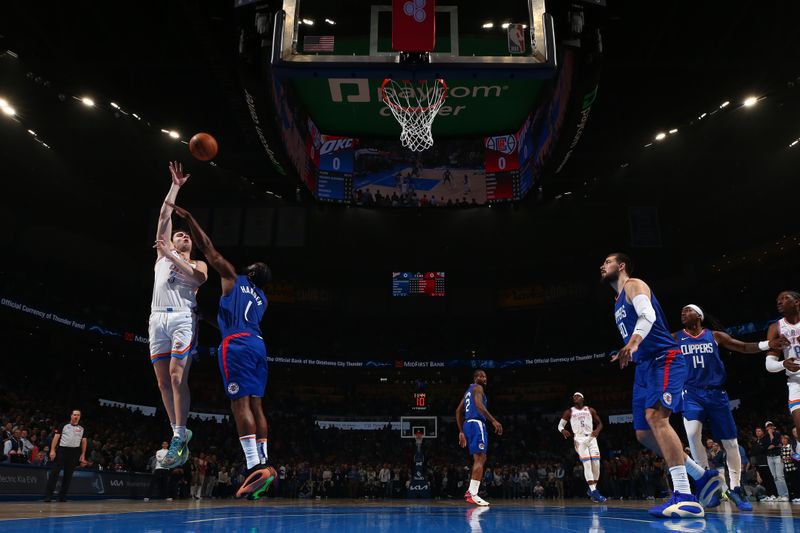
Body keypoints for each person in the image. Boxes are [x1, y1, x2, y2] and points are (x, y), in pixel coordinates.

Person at [601, 253, 721, 518]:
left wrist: (632, 344)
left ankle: (685, 496)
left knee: (656, 417)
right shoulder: (616, 302)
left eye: (607, 261)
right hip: (644, 368)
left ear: (621, 266)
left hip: (664, 358)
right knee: (643, 433)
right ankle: (701, 476)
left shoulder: (634, 284)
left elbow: (648, 314)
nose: (602, 265)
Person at [169, 203, 275, 499]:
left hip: (238, 345)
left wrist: (190, 219)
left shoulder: (234, 277)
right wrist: (204, 317)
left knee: (238, 405)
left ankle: (254, 465)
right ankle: (264, 461)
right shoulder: (262, 299)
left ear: (251, 272)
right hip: (257, 344)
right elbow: (231, 322)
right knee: (256, 405)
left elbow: (209, 249)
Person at [676, 303, 787, 510]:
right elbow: (655, 345)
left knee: (731, 443)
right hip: (691, 392)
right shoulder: (676, 337)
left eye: (687, 310)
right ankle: (707, 480)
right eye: (682, 311)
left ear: (698, 315)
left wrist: (767, 344)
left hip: (716, 393)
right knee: (692, 435)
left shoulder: (715, 336)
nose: (683, 313)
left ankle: (735, 488)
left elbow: (743, 347)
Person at [149, 162, 208, 468]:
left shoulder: (198, 265)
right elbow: (164, 216)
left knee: (176, 376)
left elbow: (198, 281)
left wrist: (173, 254)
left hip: (183, 318)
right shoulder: (162, 255)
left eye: (187, 236)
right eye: (179, 234)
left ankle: (179, 433)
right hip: (156, 318)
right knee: (161, 383)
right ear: (171, 239)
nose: (183, 236)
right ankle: (178, 434)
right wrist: (176, 187)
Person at [455, 369, 503, 506]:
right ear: (475, 378)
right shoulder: (478, 388)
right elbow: (478, 405)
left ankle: (472, 492)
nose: (484, 378)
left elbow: (458, 411)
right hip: (477, 423)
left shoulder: (467, 392)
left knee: (480, 457)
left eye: (485, 376)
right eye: (481, 376)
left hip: (467, 425)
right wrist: (493, 420)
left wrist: (461, 432)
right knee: (480, 457)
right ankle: (473, 493)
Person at [558, 392, 606, 502]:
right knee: (587, 463)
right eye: (574, 396)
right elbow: (560, 425)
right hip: (579, 439)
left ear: (583, 398)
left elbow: (600, 423)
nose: (575, 397)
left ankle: (591, 488)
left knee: (596, 464)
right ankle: (594, 492)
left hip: (591, 437)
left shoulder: (590, 410)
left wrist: (597, 430)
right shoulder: (569, 411)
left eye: (577, 396)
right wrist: (563, 430)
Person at [765, 291, 800, 435]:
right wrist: (783, 364)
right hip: (796, 382)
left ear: (797, 302)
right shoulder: (776, 328)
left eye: (785, 298)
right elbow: (769, 365)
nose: (780, 302)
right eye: (778, 300)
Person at [43, 410, 87, 502]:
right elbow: (56, 438)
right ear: (71, 415)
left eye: (78, 415)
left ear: (80, 417)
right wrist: (52, 450)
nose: (76, 416)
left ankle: (62, 496)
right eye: (74, 415)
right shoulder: (63, 425)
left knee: (68, 475)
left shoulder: (82, 428)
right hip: (62, 450)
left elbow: (84, 441)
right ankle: (48, 496)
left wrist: (83, 454)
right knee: (54, 473)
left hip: (74, 452)